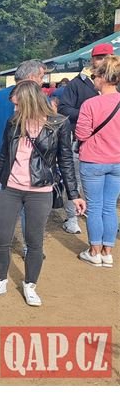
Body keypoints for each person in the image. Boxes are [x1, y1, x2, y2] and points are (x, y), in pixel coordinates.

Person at [0, 80, 86, 306]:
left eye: (18, 104)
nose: (15, 108)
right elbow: (4, 156)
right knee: (2, 237)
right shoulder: (14, 122)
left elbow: (66, 160)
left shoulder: (59, 124)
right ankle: (0, 280)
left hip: (40, 190)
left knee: (34, 241)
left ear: (29, 101)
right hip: (11, 187)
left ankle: (30, 284)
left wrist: (74, 194)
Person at [58, 43, 114, 235]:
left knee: (107, 194)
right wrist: (88, 114)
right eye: (100, 57)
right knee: (74, 181)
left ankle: (102, 222)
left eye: (107, 57)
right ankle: (72, 218)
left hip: (111, 146)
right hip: (80, 142)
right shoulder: (76, 83)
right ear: (92, 60)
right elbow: (63, 108)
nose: (103, 61)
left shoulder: (116, 82)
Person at [74, 55, 120, 267]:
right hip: (117, 161)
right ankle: (107, 252)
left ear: (102, 77)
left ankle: (94, 250)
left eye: (94, 75)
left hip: (93, 160)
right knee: (109, 207)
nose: (93, 79)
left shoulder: (90, 104)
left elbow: (81, 134)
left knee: (95, 206)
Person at [0, 60, 47, 163]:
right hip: (27, 159)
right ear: (31, 77)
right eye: (41, 77)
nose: (42, 81)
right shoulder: (40, 99)